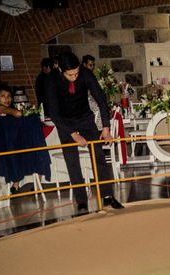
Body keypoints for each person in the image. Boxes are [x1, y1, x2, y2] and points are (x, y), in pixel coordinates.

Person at [45, 52, 123, 212]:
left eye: (76, 73)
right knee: (72, 162)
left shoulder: (85, 74)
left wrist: (106, 128)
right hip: (65, 122)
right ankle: (81, 201)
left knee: (99, 156)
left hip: (85, 119)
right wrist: (73, 134)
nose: (74, 77)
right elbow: (53, 113)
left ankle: (107, 196)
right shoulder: (51, 80)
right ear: (60, 69)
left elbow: (101, 99)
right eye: (70, 75)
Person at [0, 84, 51, 193]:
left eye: (9, 96)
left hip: (5, 143)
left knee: (25, 147)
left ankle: (18, 184)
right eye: (3, 96)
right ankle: (24, 183)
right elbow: (18, 113)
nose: (7, 99)